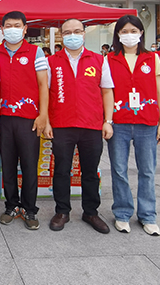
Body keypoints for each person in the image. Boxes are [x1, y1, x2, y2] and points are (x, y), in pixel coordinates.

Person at [46, 19, 114, 234]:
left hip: (91, 125)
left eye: (77, 31)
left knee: (90, 172)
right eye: (67, 32)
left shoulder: (98, 60)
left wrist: (108, 121)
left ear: (84, 33)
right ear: (61, 35)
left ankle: (91, 212)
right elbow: (45, 93)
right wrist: (46, 121)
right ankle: (62, 211)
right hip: (62, 124)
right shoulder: (51, 61)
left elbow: (107, 91)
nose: (72, 36)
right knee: (61, 170)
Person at [106, 15, 160, 236]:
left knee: (147, 171)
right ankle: (122, 213)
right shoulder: (109, 59)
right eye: (124, 31)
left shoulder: (152, 58)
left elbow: (158, 92)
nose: (129, 35)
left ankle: (148, 215)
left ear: (141, 33)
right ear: (118, 34)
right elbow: (107, 92)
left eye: (133, 31)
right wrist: (107, 121)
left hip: (147, 122)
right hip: (119, 123)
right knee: (119, 170)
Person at [0, 11, 48, 230]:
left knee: (29, 165)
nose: (12, 29)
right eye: (8, 25)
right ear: (2, 29)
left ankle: (29, 209)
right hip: (3, 119)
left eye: (17, 25)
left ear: (25, 29)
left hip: (29, 120)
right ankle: (11, 206)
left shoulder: (35, 52)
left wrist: (43, 115)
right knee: (8, 165)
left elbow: (43, 85)